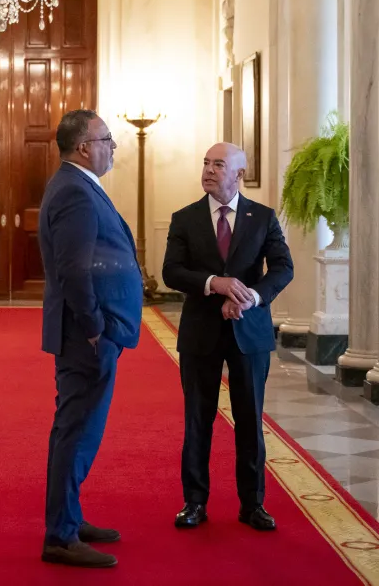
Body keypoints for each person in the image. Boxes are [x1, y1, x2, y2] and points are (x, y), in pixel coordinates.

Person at [162, 143, 293, 532]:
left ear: (238, 174)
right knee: (197, 420)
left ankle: (252, 504)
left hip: (248, 333)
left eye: (218, 164)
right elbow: (171, 272)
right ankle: (195, 502)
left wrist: (251, 297)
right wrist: (213, 284)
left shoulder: (262, 217)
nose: (208, 170)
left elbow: (283, 267)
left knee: (250, 420)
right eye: (205, 163)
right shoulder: (184, 218)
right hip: (200, 331)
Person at [38, 110, 143, 569]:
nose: (113, 147)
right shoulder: (75, 193)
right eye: (106, 139)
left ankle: (70, 518)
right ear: (84, 147)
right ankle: (60, 536)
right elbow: (74, 268)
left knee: (79, 431)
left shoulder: (76, 186)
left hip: (90, 333)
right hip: (87, 337)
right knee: (76, 432)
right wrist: (96, 326)